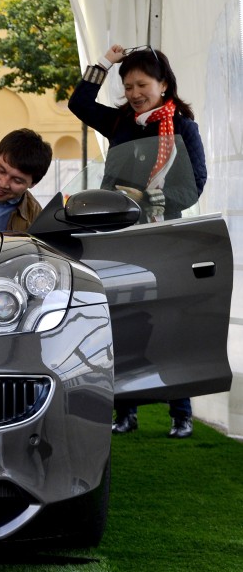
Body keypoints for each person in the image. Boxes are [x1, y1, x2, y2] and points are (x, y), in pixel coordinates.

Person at [68, 43, 206, 439]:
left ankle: (181, 414)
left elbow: (196, 184)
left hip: (164, 236)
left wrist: (150, 199)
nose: (133, 93)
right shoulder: (119, 123)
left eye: (142, 84)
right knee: (121, 324)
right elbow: (79, 104)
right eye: (127, 85)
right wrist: (103, 64)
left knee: (168, 324)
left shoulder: (183, 127)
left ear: (164, 85)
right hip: (118, 236)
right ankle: (125, 412)